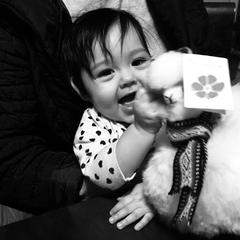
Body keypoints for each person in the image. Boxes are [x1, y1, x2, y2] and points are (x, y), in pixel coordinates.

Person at [62, 8, 164, 231]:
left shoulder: (166, 105)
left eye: (138, 61)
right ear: (81, 89)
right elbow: (103, 177)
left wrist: (158, 193)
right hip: (113, 222)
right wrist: (142, 129)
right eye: (106, 72)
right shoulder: (94, 124)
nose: (128, 78)